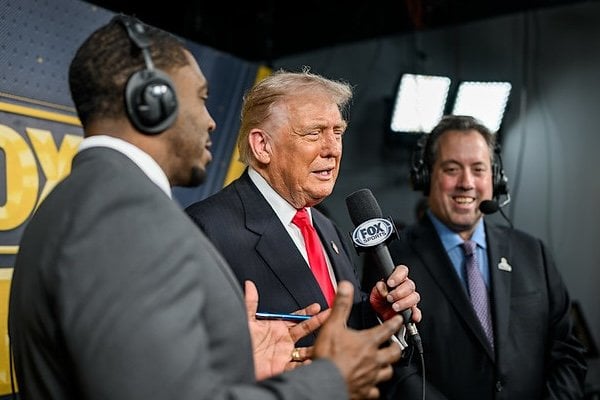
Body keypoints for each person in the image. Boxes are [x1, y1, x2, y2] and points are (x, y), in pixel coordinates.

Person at [8, 15, 408, 400]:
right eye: (200, 98)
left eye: (337, 132)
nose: (212, 121)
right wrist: (330, 383)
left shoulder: (91, 199)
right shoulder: (120, 215)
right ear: (152, 103)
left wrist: (241, 364)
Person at [184, 69, 422, 390]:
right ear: (262, 146)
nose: (333, 149)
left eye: (338, 132)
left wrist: (377, 312)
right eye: (314, 133)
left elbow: (338, 330)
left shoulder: (327, 228)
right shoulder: (205, 229)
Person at [388, 114, 587, 399]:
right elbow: (393, 364)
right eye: (452, 169)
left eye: (478, 169)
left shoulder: (533, 254)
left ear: (495, 178)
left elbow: (568, 352)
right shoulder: (394, 258)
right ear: (426, 176)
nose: (467, 183)